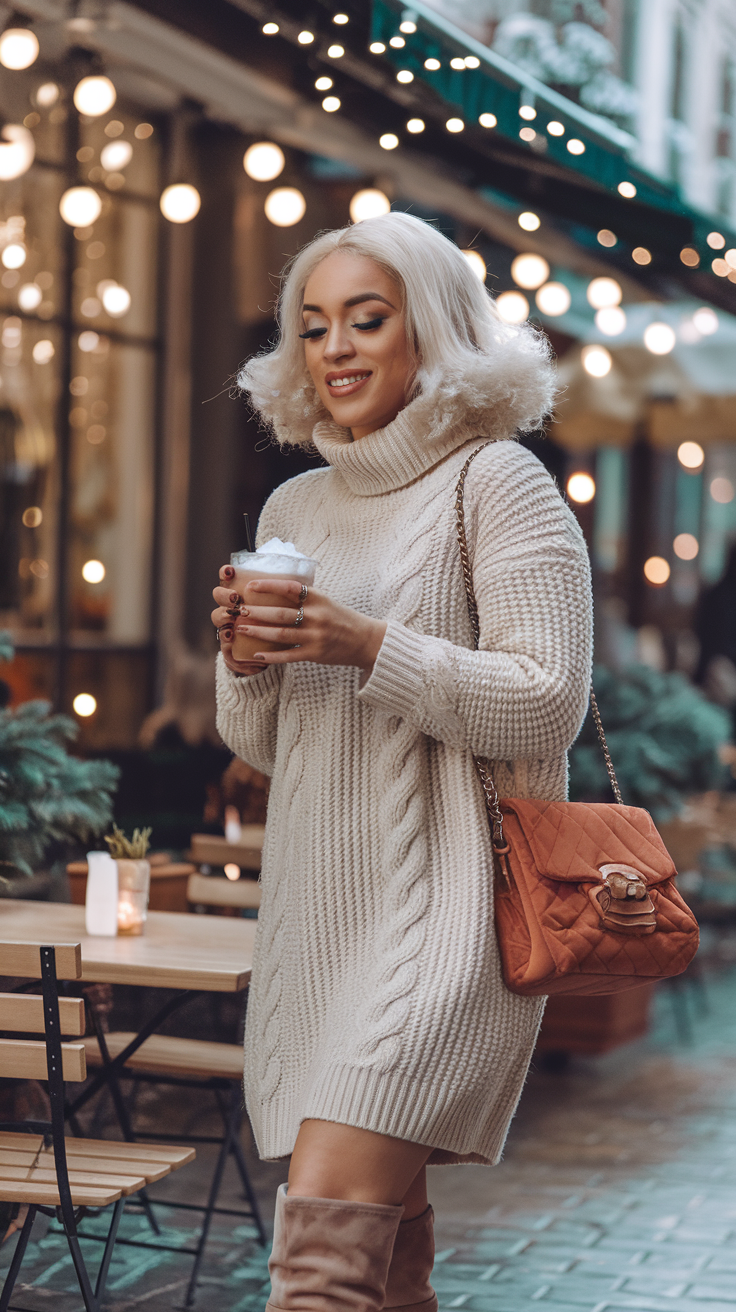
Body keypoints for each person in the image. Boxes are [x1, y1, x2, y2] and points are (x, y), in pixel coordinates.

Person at [212, 212, 592, 1312]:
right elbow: (261, 741)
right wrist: (246, 659)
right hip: (315, 926)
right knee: (386, 1268)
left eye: (365, 320)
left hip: (443, 928)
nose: (333, 349)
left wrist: (365, 642)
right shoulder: (295, 505)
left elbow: (547, 702)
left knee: (317, 1268)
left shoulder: (500, 484)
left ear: (430, 328)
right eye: (314, 325)